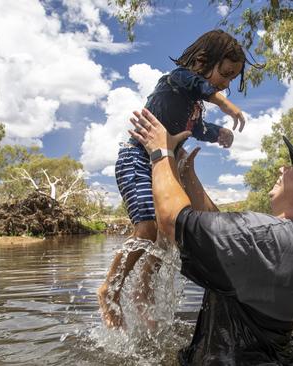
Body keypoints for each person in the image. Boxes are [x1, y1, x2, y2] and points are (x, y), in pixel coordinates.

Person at [128, 108, 293, 365]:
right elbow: (218, 232)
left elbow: (173, 222)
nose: (283, 168)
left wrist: (160, 152)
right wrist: (187, 176)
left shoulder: (268, 237)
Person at [99, 30, 249, 328]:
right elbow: (196, 84)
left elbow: (197, 128)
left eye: (232, 79)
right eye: (227, 74)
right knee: (148, 227)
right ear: (202, 61)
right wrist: (223, 103)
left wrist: (218, 132)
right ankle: (109, 291)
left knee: (169, 233)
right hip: (136, 159)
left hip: (160, 167)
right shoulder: (176, 79)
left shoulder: (192, 106)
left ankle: (143, 288)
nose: (227, 83)